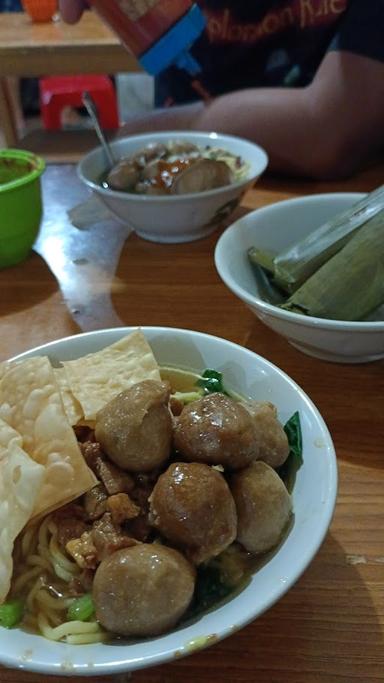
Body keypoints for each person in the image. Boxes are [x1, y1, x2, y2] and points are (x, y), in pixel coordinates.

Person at [59, 0, 384, 180]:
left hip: (325, 207)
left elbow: (330, 133)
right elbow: (70, 12)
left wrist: (144, 134)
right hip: (174, 193)